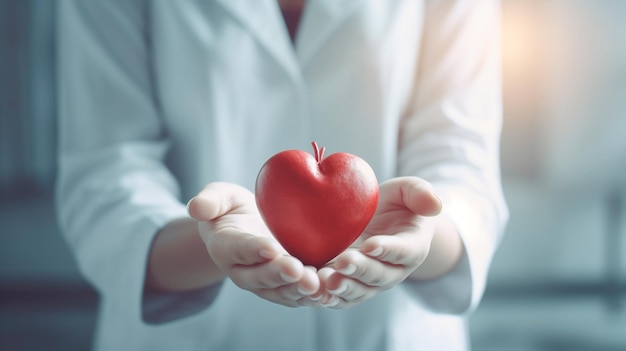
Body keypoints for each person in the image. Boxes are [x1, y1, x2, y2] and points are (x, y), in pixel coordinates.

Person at [55, 0, 508, 350]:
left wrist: (420, 235)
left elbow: (460, 159)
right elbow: (107, 168)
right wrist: (209, 243)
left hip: (390, 332)